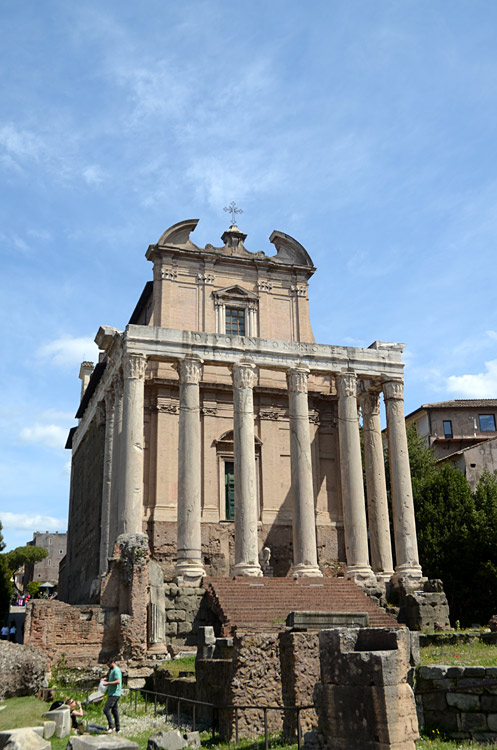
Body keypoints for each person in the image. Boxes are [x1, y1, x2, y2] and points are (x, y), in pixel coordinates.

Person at [102, 657, 122, 733]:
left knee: (106, 709)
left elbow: (118, 681)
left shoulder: (116, 670)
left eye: (108, 664)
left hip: (115, 694)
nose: (108, 666)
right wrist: (105, 680)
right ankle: (118, 728)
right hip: (112, 693)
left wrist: (108, 683)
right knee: (114, 711)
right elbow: (111, 680)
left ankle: (111, 726)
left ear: (112, 662)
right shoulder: (112, 670)